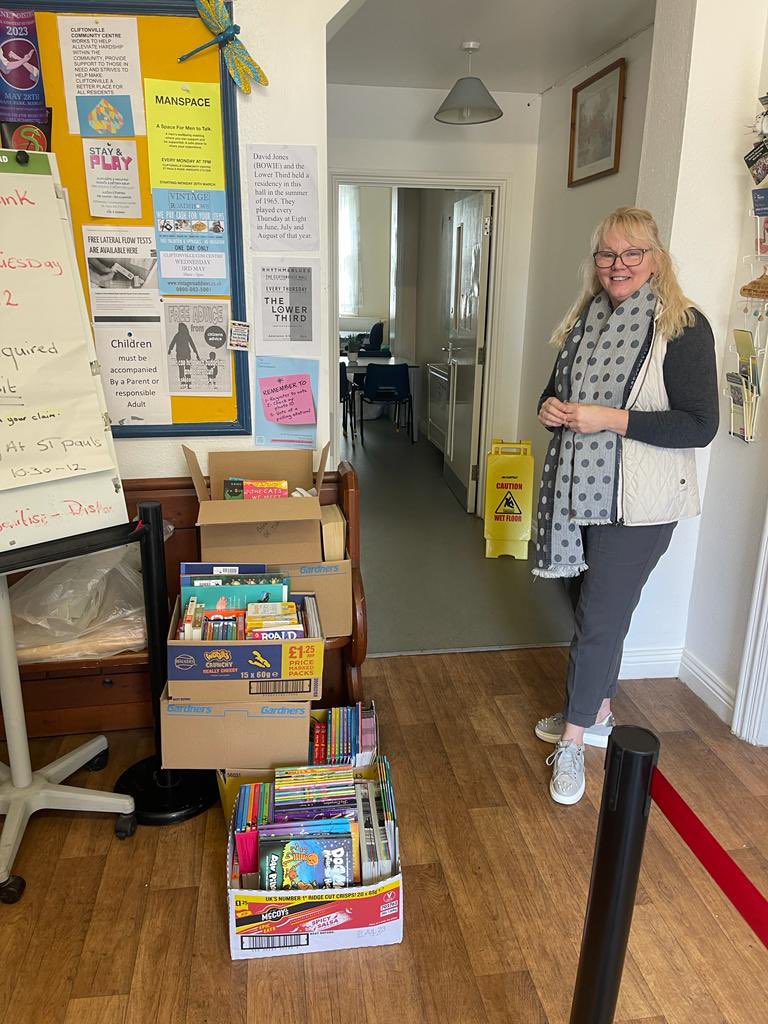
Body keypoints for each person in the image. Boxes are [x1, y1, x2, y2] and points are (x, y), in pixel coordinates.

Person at [533, 206, 718, 806]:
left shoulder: (683, 327)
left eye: (631, 254)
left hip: (637, 503)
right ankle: (598, 710)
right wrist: (551, 408)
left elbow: (699, 425)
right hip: (576, 494)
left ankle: (572, 739)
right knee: (589, 609)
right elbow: (557, 390)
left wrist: (607, 420)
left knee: (597, 623)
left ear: (655, 260)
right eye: (608, 255)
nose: (618, 266)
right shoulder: (585, 321)